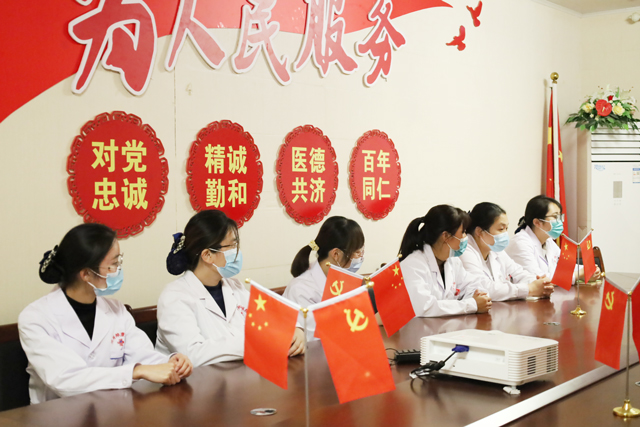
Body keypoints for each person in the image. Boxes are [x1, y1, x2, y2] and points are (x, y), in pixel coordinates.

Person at [19, 224, 192, 405]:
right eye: (113, 264)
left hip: (112, 409)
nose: (118, 270)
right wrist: (135, 372)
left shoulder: (117, 310)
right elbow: (66, 380)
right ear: (86, 274)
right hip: (58, 414)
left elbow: (142, 355)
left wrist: (171, 362)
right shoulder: (35, 318)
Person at [157, 210, 305, 367]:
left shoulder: (234, 286)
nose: (237, 252)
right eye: (232, 245)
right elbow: (192, 354)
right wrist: (257, 340)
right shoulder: (174, 297)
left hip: (240, 373)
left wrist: (294, 328)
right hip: (196, 381)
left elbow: (270, 317)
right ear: (207, 255)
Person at [399, 205, 492, 317]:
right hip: (420, 327)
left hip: (446, 324)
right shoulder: (413, 265)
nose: (465, 237)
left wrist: (477, 298)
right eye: (463, 232)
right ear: (446, 236)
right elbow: (425, 308)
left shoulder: (452, 261)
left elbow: (474, 285)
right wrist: (471, 304)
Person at [283, 216, 365, 339]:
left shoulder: (343, 277)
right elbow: (313, 337)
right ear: (336, 254)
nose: (361, 258)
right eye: (358, 252)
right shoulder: (301, 289)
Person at [460, 202, 554, 301]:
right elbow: (483, 288)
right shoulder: (465, 251)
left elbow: (518, 273)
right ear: (479, 231)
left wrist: (540, 284)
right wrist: (528, 289)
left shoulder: (494, 249)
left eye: (506, 228)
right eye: (501, 229)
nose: (505, 234)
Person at [506, 195, 600, 283]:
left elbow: (566, 265)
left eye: (560, 217)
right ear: (537, 222)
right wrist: (578, 275)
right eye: (555, 217)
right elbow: (538, 279)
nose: (560, 221)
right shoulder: (520, 243)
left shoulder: (548, 241)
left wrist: (589, 269)